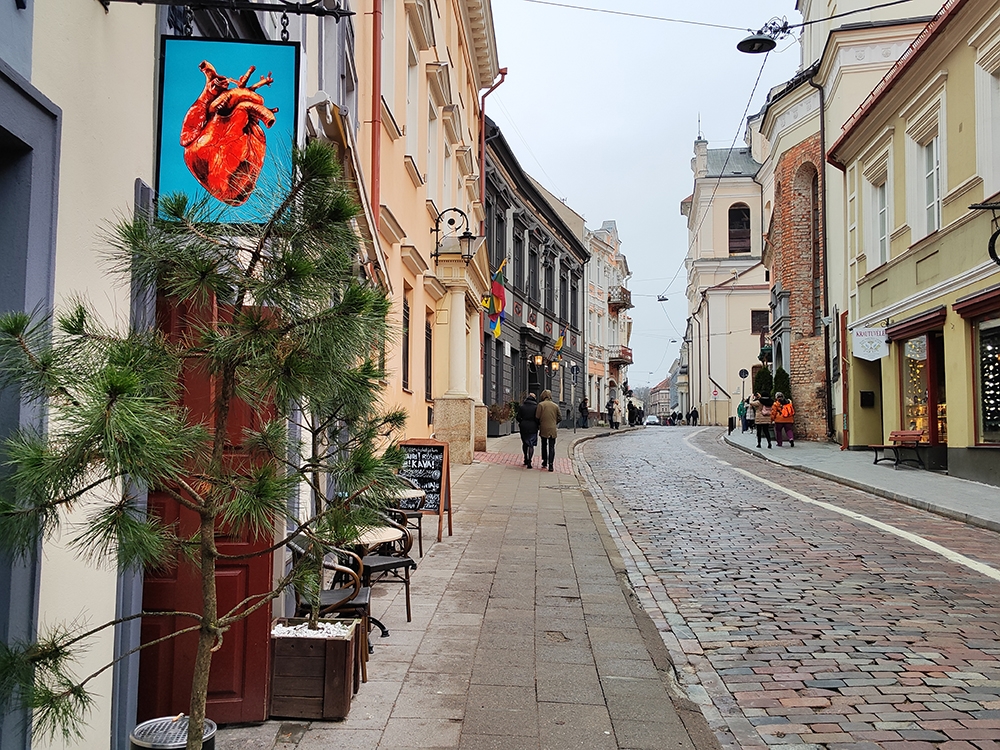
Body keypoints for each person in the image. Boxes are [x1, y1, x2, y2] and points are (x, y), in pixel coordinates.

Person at [535, 390, 561, 472]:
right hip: (553, 428)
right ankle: (551, 465)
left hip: (544, 428)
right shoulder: (555, 406)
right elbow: (560, 417)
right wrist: (554, 422)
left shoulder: (541, 405)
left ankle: (544, 461)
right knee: (552, 446)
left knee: (544, 445)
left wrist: (540, 424)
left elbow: (537, 417)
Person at [517, 392, 540, 468]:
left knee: (524, 443)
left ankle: (525, 458)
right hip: (533, 427)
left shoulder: (522, 406)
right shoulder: (536, 407)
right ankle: (530, 461)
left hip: (524, 426)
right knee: (531, 444)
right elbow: (537, 418)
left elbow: (518, 417)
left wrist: (522, 422)